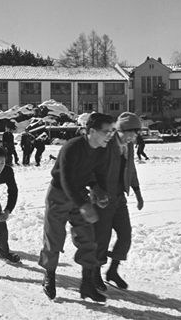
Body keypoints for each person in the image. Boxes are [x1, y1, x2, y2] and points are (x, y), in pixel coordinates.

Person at [39, 113, 113, 302]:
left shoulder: (103, 149)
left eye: (111, 131)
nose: (109, 135)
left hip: (80, 194)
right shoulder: (72, 147)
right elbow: (66, 178)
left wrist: (100, 193)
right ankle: (50, 275)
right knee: (54, 237)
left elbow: (99, 173)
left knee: (87, 238)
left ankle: (87, 283)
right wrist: (83, 204)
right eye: (106, 131)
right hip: (59, 193)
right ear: (92, 131)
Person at [90, 112, 144, 292]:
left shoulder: (127, 147)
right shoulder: (105, 144)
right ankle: (95, 272)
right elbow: (89, 170)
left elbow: (131, 170)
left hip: (119, 198)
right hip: (102, 199)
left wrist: (137, 191)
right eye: (132, 133)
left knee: (125, 235)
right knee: (101, 238)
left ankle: (112, 270)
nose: (134, 137)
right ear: (121, 130)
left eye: (136, 134)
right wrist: (96, 191)